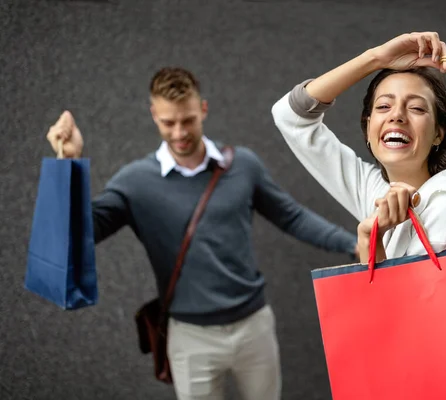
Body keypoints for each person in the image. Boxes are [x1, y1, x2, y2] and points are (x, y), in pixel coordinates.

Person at [45, 67, 358, 400]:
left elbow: (292, 217)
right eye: (168, 122)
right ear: (154, 115)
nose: (179, 132)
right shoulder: (134, 182)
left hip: (254, 326)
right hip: (190, 336)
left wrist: (352, 244)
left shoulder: (242, 165)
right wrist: (70, 165)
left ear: (203, 109)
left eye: (188, 120)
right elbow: (78, 235)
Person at [271, 31, 446, 263]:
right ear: (368, 127)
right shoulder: (376, 191)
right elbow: (290, 116)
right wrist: (375, 58)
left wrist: (370, 241)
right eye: (384, 106)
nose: (397, 115)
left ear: (438, 134)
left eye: (416, 108)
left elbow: (412, 300)